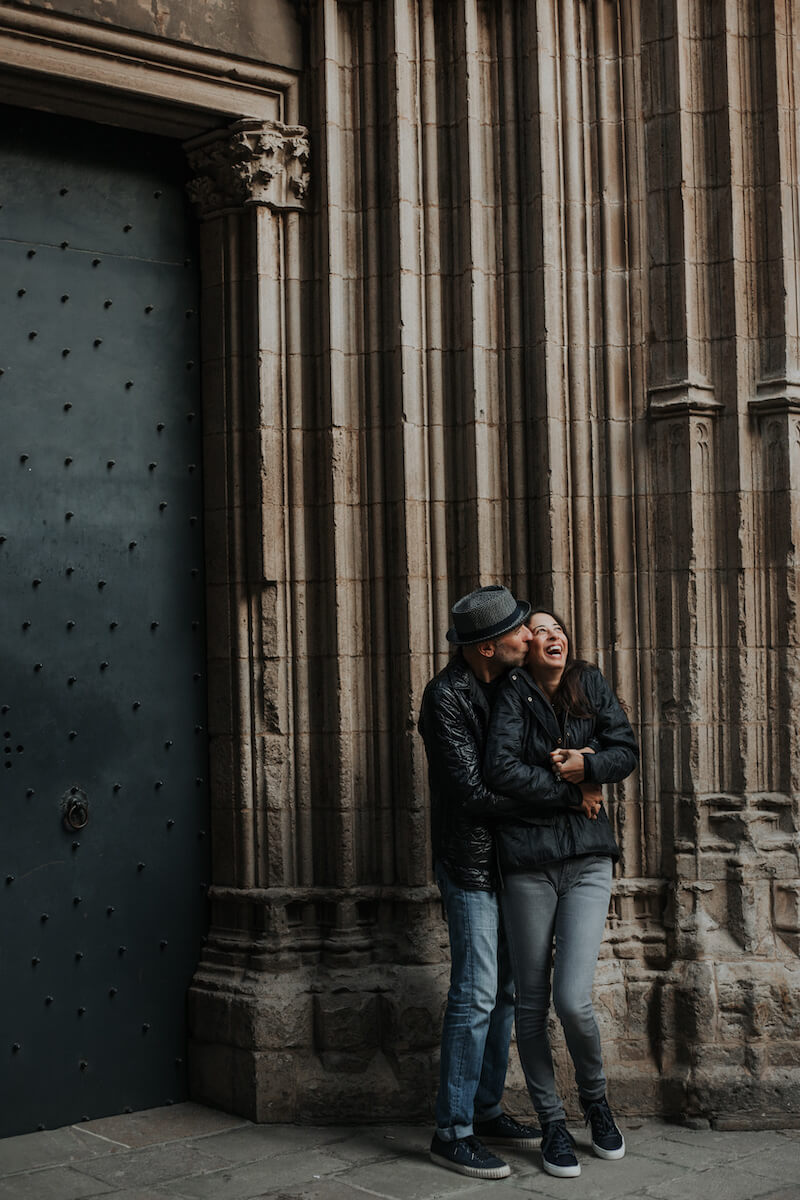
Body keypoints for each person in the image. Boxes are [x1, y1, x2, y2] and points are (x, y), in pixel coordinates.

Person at [483, 608, 638, 1179]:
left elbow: (625, 751)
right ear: (525, 648)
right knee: (530, 999)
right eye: (540, 631)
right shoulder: (509, 694)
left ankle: (595, 1102)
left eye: (558, 629)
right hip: (527, 863)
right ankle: (551, 1121)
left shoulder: (588, 681)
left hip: (588, 863)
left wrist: (589, 762)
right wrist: (570, 789)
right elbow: (498, 770)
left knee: (572, 1000)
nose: (553, 636)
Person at [418, 585, 541, 1180]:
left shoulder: (513, 683)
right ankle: (453, 1130)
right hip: (468, 863)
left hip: (513, 860)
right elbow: (471, 792)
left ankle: (486, 1108)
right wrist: (550, 801)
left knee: (510, 992)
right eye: (519, 629)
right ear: (488, 646)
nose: (529, 634)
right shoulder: (444, 697)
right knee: (475, 992)